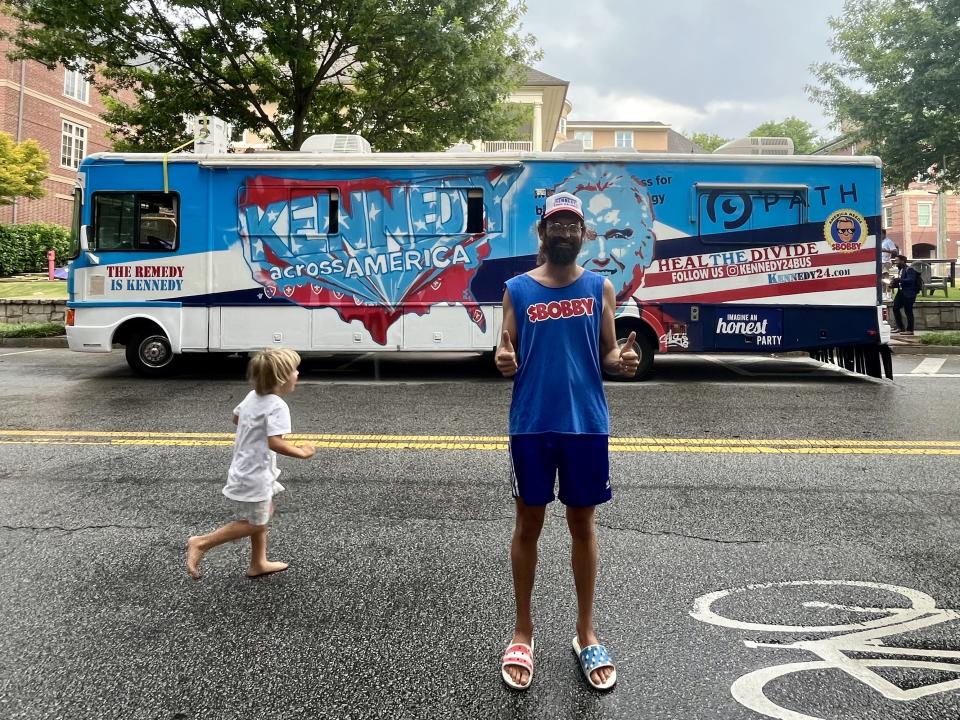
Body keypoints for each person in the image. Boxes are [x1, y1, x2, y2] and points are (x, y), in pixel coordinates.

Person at [495, 191, 640, 692]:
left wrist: (622, 361)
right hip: (531, 424)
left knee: (583, 524)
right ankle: (523, 631)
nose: (563, 232)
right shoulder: (516, 290)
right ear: (543, 233)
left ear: (583, 234)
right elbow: (505, 350)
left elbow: (607, 356)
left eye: (571, 225)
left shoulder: (601, 288)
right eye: (555, 224)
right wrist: (504, 362)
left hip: (586, 426)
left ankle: (585, 633)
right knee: (528, 525)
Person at [186, 348, 315, 579]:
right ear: (282, 378)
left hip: (245, 468)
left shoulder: (252, 396)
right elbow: (275, 442)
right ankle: (201, 542)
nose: (298, 373)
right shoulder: (277, 405)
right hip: (255, 474)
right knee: (257, 522)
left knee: (263, 514)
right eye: (295, 370)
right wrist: (302, 452)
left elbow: (236, 418)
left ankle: (258, 563)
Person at [890, 254, 922, 335]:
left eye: (897, 261)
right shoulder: (900, 270)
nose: (895, 263)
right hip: (901, 292)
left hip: (909, 293)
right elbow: (902, 282)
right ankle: (900, 328)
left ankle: (910, 330)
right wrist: (893, 284)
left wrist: (899, 280)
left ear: (902, 261)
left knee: (908, 311)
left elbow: (910, 280)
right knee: (895, 308)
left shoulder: (909, 269)